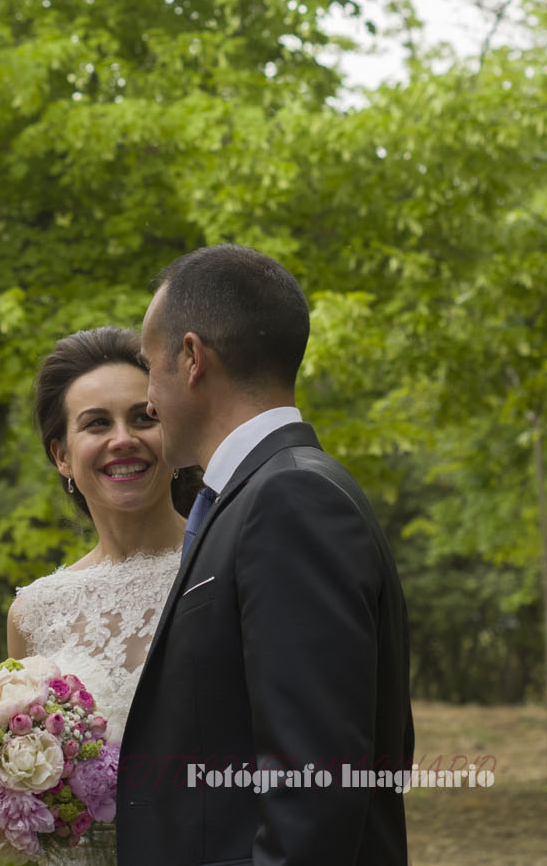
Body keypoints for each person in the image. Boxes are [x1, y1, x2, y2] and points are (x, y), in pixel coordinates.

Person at [117, 244, 414, 866]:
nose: (148, 399)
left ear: (192, 359)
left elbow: (316, 787)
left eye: (150, 367)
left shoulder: (290, 499)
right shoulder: (260, 495)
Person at [7, 327, 195, 861]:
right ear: (62, 456)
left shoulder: (224, 563)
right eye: (96, 424)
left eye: (144, 417)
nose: (123, 439)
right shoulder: (33, 612)